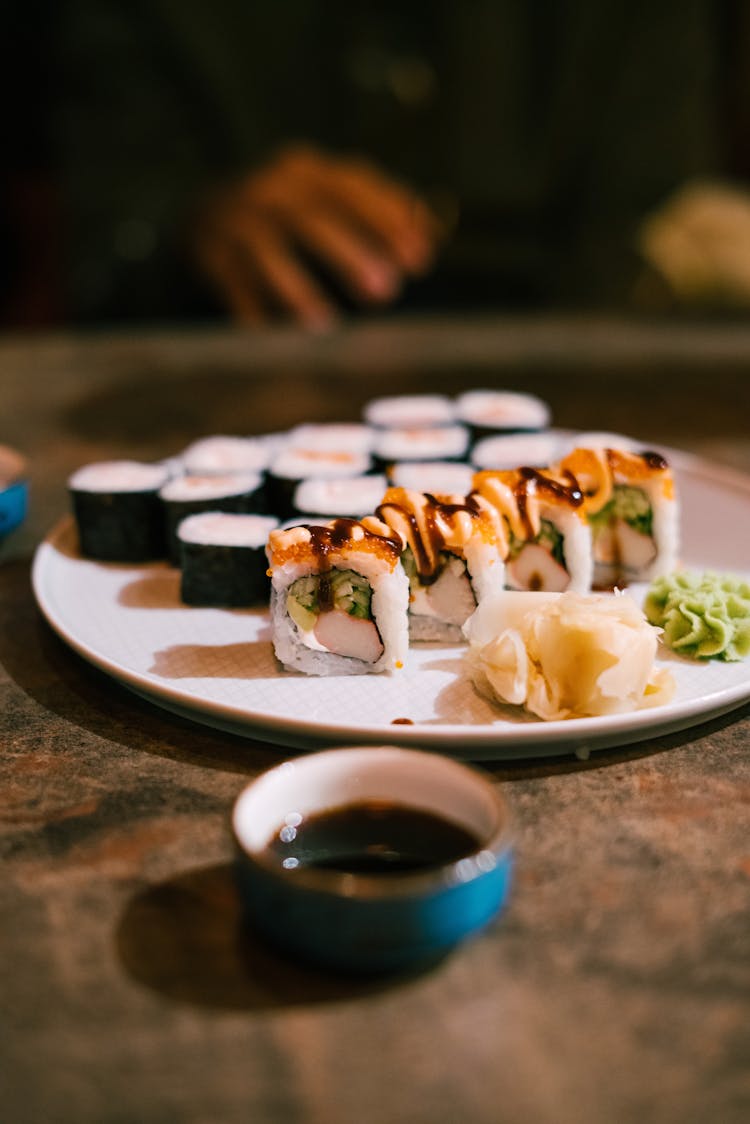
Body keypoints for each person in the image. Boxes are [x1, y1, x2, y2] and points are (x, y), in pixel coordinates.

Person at [8, 1, 747, 327]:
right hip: (244, 355)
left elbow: (644, 199)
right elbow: (101, 228)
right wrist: (196, 221)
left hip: (564, 370)